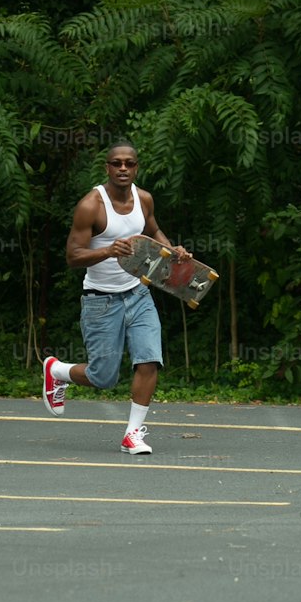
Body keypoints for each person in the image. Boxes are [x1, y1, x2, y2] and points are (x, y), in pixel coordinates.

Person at [42, 140, 190, 453]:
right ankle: (56, 370)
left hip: (139, 292)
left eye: (129, 163)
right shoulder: (91, 206)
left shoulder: (144, 199)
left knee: (149, 360)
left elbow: (152, 229)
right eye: (116, 163)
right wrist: (108, 250)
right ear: (107, 167)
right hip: (100, 300)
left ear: (136, 167)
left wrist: (172, 249)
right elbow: (72, 256)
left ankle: (132, 434)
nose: (123, 168)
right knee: (102, 377)